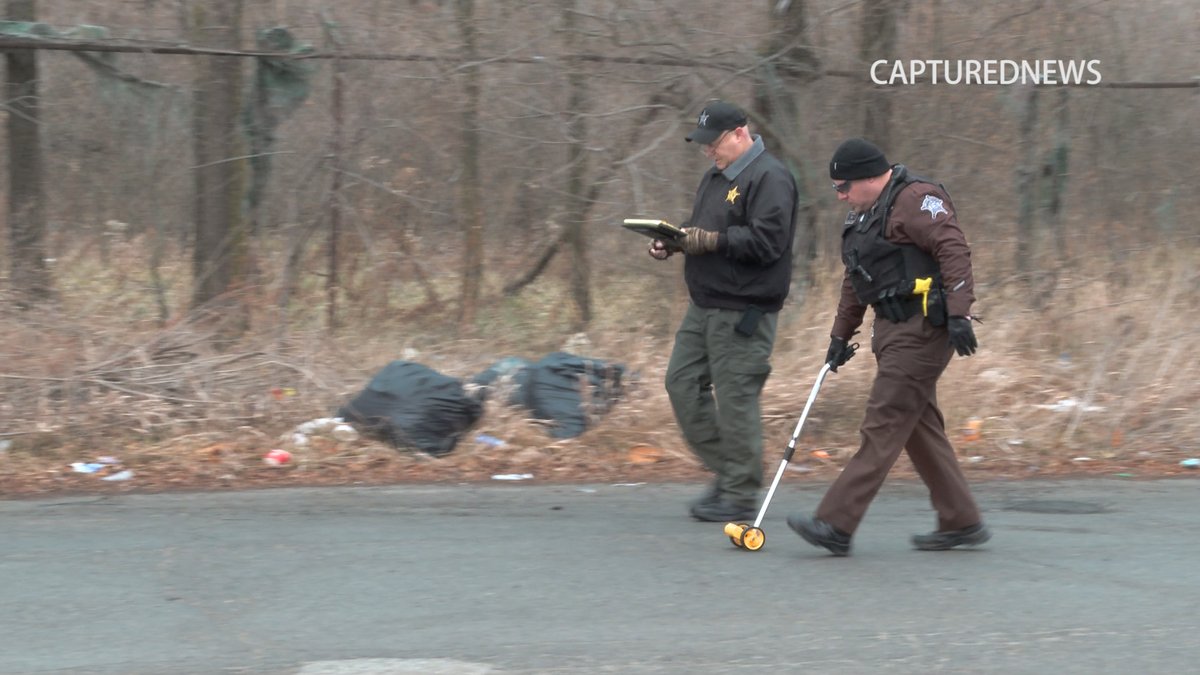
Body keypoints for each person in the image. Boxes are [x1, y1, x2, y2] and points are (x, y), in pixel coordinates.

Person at [786, 138, 990, 555]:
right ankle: (961, 520)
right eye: (836, 189)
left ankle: (836, 523)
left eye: (844, 186)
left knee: (884, 421)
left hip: (924, 329)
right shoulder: (865, 215)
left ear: (869, 177)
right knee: (918, 427)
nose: (841, 195)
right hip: (891, 330)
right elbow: (855, 280)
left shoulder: (917, 199)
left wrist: (958, 312)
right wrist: (840, 336)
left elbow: (954, 251)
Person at [647, 100, 799, 522]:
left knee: (735, 398)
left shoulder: (771, 177)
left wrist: (709, 241)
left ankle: (741, 493)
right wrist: (672, 241)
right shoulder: (715, 177)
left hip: (744, 308)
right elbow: (704, 228)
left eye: (712, 144)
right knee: (680, 384)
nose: (707, 152)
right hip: (705, 304)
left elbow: (767, 243)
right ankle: (731, 471)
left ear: (739, 134)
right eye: (702, 145)